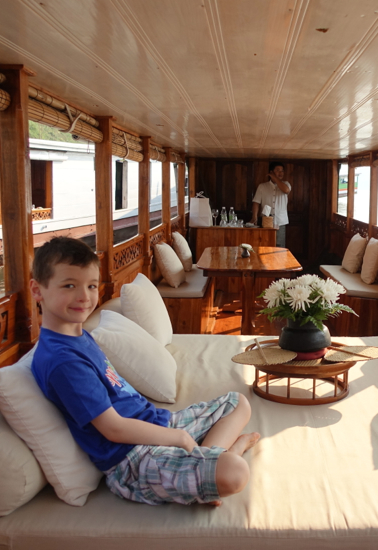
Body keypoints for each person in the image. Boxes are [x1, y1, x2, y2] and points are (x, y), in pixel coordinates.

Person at [29, 236, 260, 506]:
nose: (84, 296)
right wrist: (180, 438)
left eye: (91, 286)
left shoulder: (79, 336)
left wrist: (174, 433)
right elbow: (114, 429)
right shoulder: (62, 361)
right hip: (133, 459)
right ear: (37, 290)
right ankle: (221, 457)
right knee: (235, 472)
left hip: (155, 423)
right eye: (69, 285)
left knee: (237, 403)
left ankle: (204, 467)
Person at [251, 161, 291, 247]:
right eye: (278, 170)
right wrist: (254, 217)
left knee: (279, 247)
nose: (281, 173)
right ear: (271, 172)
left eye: (282, 171)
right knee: (265, 245)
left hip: (280, 221)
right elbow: (256, 202)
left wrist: (275, 178)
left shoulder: (286, 184)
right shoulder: (262, 186)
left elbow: (286, 190)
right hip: (266, 221)